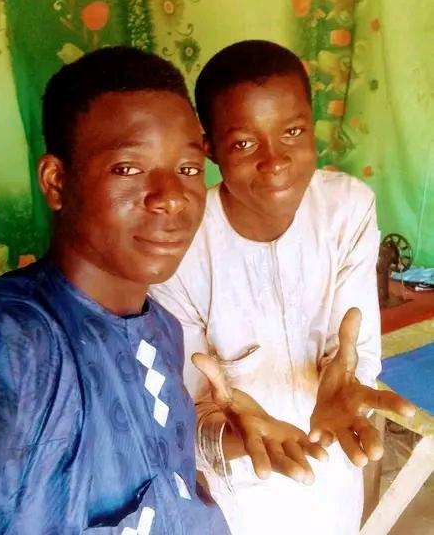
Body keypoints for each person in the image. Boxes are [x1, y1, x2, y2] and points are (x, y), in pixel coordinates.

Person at [0, 46, 233, 534]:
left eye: (189, 169)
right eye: (128, 168)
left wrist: (222, 441)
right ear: (56, 182)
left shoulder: (162, 330)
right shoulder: (7, 342)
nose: (172, 197)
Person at [150, 40, 415, 535]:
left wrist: (345, 382)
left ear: (313, 126)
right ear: (210, 149)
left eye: (292, 132)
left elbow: (353, 349)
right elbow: (189, 413)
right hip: (237, 497)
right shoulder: (181, 245)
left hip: (333, 473)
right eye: (244, 143)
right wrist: (230, 433)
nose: (275, 162)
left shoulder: (346, 209)